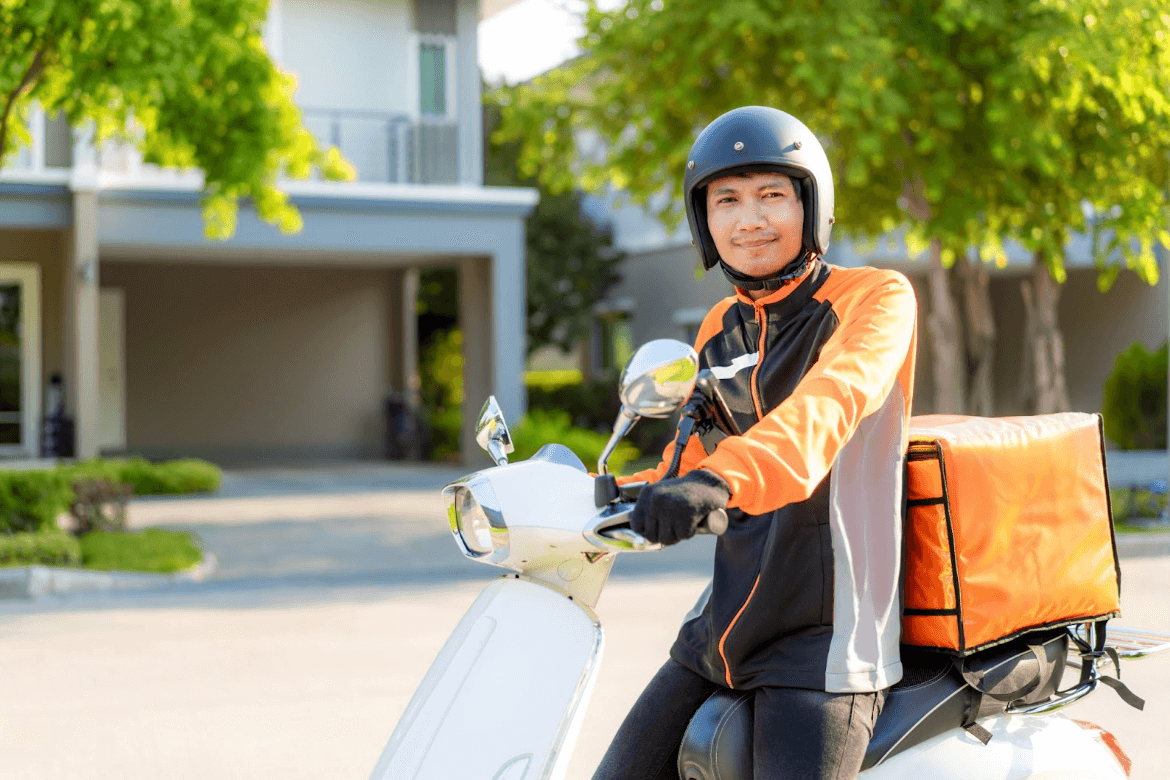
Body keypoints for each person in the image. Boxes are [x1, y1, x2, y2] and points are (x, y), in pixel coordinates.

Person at [593, 106, 918, 780]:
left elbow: (823, 412)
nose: (750, 220)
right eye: (728, 200)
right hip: (723, 628)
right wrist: (612, 494)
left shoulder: (876, 299)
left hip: (826, 643)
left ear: (813, 205)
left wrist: (716, 484)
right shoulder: (720, 325)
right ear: (703, 221)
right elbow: (691, 458)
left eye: (773, 195)